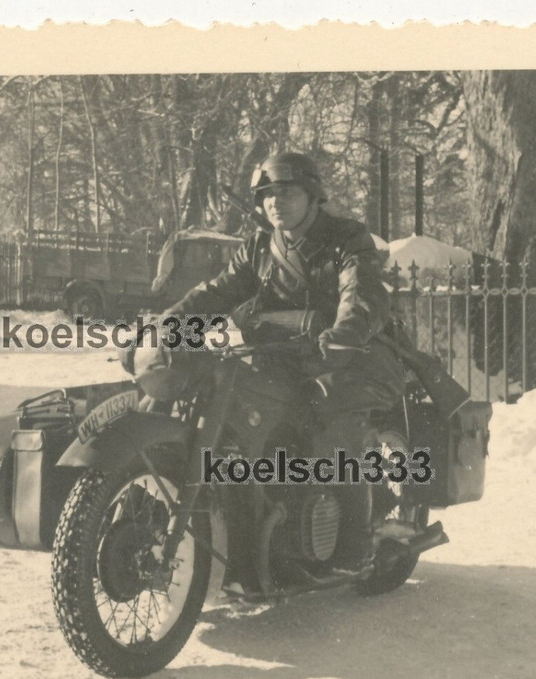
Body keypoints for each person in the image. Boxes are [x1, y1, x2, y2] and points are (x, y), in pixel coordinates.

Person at [164, 152, 408, 576]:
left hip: (356, 355)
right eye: (268, 195)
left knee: (331, 417)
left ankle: (355, 542)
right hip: (288, 355)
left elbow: (362, 294)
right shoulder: (259, 247)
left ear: (313, 196)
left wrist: (343, 337)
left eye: (288, 192)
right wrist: (172, 324)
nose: (277, 202)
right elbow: (218, 292)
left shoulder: (346, 238)